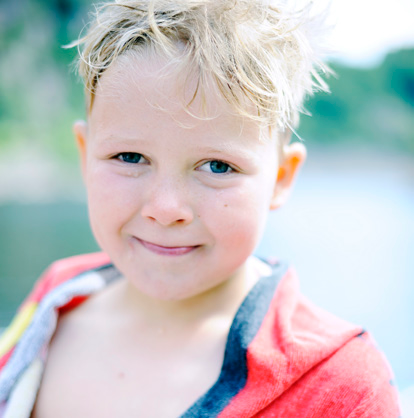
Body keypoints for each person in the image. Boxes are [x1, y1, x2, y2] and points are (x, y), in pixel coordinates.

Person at [0, 0, 400, 416]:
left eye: (217, 166)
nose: (166, 208)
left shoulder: (339, 389)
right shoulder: (58, 298)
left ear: (281, 178)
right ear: (85, 158)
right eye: (130, 158)